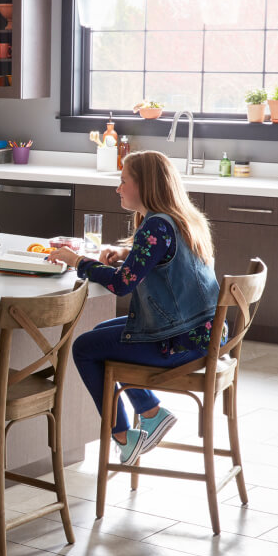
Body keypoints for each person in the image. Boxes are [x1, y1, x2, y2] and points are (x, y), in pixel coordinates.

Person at [48, 150, 220, 465]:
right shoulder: (180, 219)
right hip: (202, 335)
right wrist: (125, 254)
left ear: (144, 185)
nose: (118, 188)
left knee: (85, 348)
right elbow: (162, 262)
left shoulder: (155, 226)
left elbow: (122, 285)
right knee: (103, 334)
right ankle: (151, 413)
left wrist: (79, 262)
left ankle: (127, 434)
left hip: (181, 342)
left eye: (123, 180)